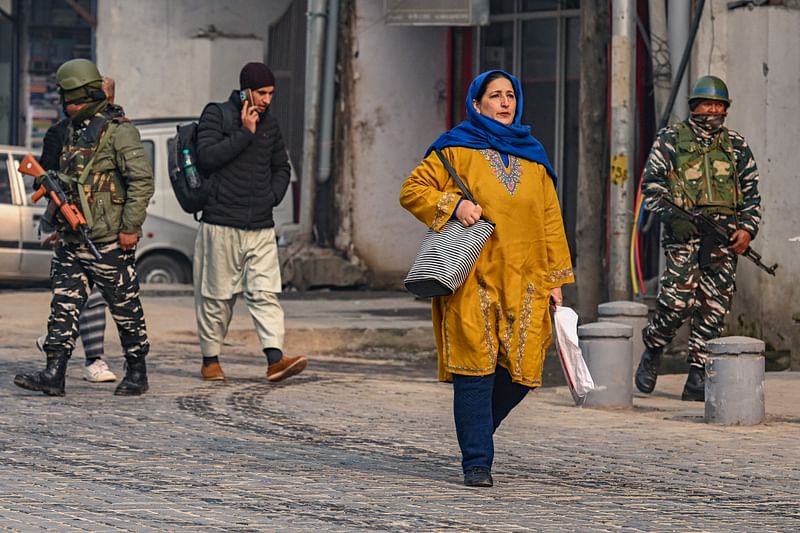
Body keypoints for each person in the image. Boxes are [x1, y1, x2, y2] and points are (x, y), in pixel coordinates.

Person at [399, 70, 574, 487]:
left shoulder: (534, 157)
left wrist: (556, 279)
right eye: (494, 95)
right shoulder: (454, 150)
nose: (504, 102)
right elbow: (412, 190)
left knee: (521, 374)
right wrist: (453, 204)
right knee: (475, 370)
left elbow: (551, 220)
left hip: (527, 280)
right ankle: (477, 460)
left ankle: (476, 431)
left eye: (510, 94)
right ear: (476, 104)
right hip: (472, 278)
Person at [14, 59, 154, 396]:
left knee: (126, 308)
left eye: (71, 100)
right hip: (72, 239)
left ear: (87, 96)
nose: (67, 106)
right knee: (63, 306)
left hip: (107, 242)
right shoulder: (72, 131)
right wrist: (55, 220)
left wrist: (130, 227)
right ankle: (54, 372)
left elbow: (142, 181)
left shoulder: (120, 132)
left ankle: (137, 372)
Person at [635, 75, 762, 402]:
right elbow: (651, 187)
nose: (713, 110)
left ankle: (697, 375)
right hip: (683, 235)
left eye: (719, 105)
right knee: (677, 302)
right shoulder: (671, 140)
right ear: (694, 106)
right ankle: (654, 346)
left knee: (713, 307)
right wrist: (674, 218)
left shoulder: (735, 145)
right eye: (707, 104)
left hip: (722, 238)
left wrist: (747, 229)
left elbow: (751, 194)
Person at [193, 61, 307, 383]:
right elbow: (207, 158)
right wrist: (245, 133)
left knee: (265, 292)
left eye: (271, 93)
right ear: (246, 91)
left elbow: (281, 166)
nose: (267, 99)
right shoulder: (216, 115)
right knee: (216, 296)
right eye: (261, 93)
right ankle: (210, 359)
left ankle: (275, 359)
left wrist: (272, 196)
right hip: (220, 222)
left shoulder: (271, 123)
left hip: (260, 224)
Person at [35, 76, 119, 384]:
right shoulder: (60, 132)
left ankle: (57, 341)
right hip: (70, 228)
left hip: (105, 230)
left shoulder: (119, 132)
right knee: (85, 294)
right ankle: (91, 359)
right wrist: (59, 218)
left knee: (94, 295)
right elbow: (43, 177)